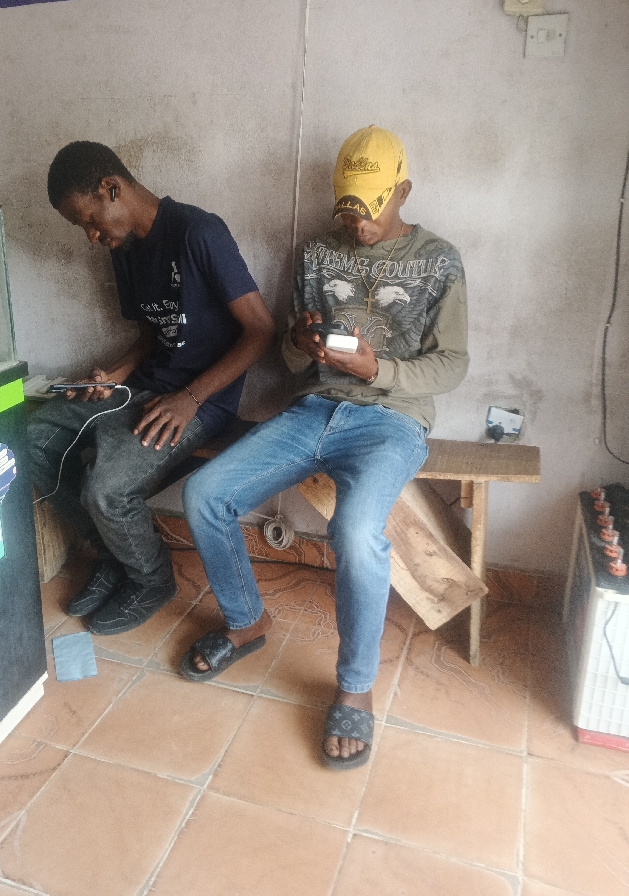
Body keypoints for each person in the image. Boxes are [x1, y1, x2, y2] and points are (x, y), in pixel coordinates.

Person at [180, 125, 468, 769]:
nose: (357, 224)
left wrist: (377, 371)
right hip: (313, 409)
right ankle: (246, 621)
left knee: (357, 533)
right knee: (204, 493)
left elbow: (452, 364)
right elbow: (288, 354)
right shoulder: (315, 253)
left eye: (371, 210)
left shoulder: (440, 259)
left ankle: (355, 687)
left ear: (403, 192)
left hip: (392, 420)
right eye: (348, 210)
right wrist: (301, 342)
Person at [28, 141, 275, 636]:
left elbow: (261, 331)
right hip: (143, 388)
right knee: (33, 440)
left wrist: (191, 398)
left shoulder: (199, 232)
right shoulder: (124, 249)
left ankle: (151, 579)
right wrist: (114, 374)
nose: (92, 236)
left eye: (89, 221)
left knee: (106, 489)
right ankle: (110, 554)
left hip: (201, 402)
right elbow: (150, 333)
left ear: (111, 188)